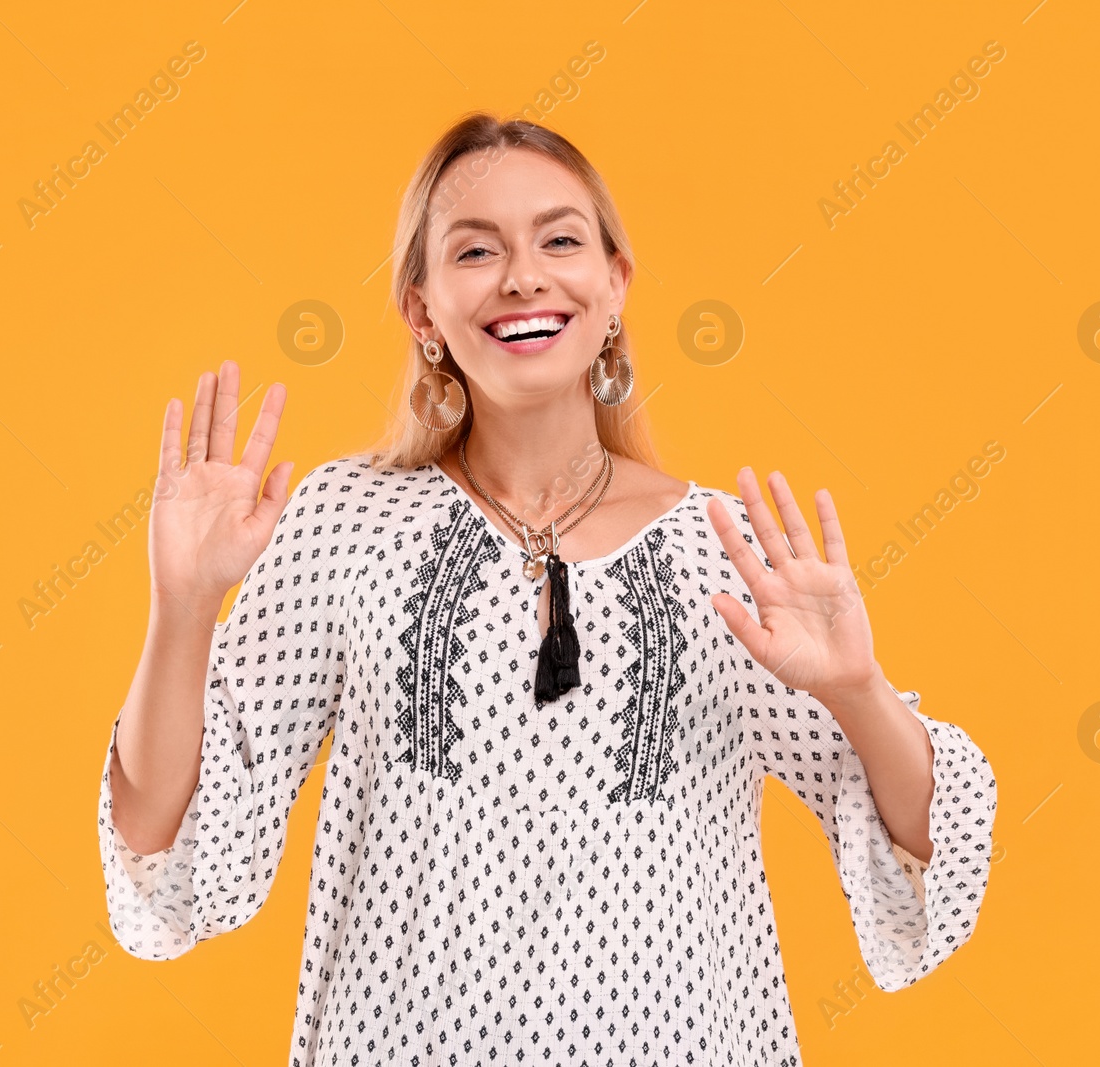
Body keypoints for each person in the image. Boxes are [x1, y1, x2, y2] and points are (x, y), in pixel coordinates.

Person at [98, 113, 997, 1067]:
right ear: (421, 308)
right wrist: (184, 611)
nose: (523, 276)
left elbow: (924, 846)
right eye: (476, 249)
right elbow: (169, 846)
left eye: (560, 239)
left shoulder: (726, 551)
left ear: (615, 283)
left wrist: (856, 690)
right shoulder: (346, 521)